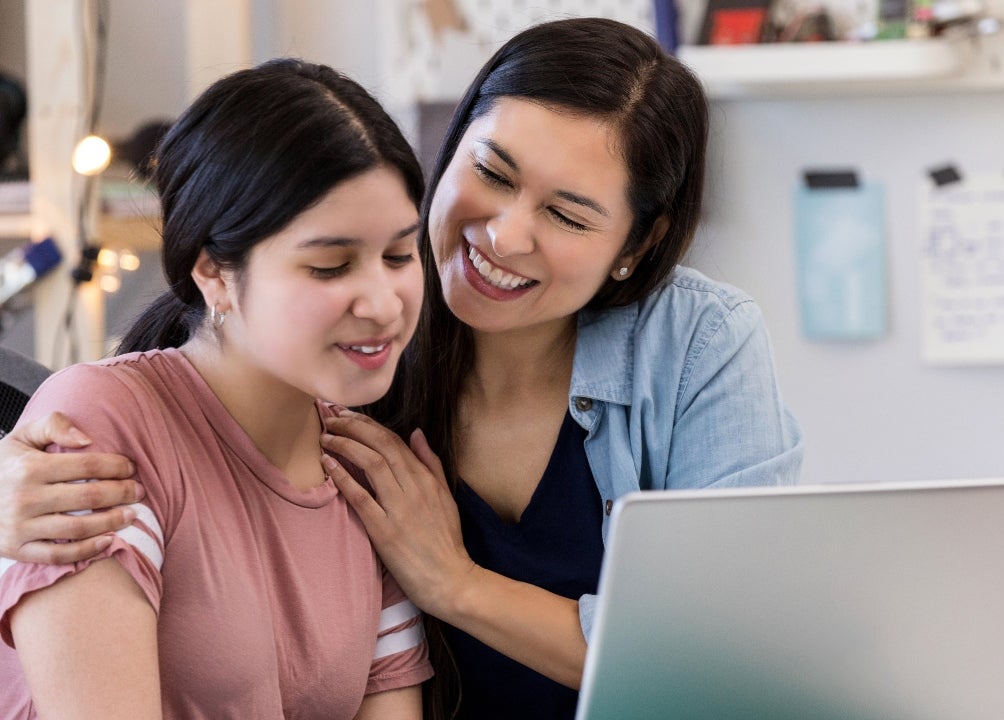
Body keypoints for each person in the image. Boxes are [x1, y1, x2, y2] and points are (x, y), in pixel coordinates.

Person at [0, 17, 801, 719]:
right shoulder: (359, 334)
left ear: (636, 245)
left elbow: (727, 663)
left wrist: (455, 583)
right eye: (491, 173)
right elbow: (170, 416)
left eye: (564, 214)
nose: (504, 236)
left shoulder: (696, 343)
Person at [0, 59, 434, 718]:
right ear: (214, 273)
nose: (383, 302)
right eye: (330, 266)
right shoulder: (104, 426)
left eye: (400, 256)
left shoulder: (364, 470)